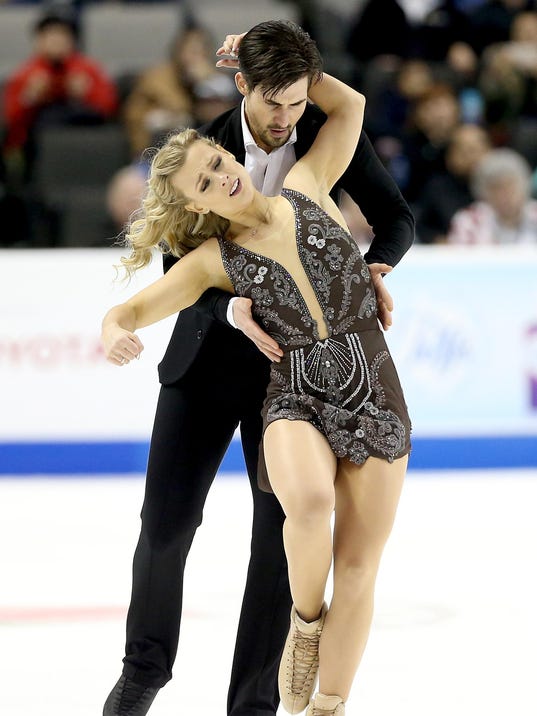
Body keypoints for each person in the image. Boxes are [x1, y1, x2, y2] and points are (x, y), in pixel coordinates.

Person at [101, 20, 414, 716]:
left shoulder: (316, 150)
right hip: (209, 355)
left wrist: (362, 276)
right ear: (243, 87)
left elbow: (394, 216)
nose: (286, 119)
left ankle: (256, 703)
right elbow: (178, 277)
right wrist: (230, 310)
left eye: (299, 102)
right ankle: (143, 673)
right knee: (167, 521)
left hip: (294, 374)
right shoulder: (201, 156)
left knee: (282, 534)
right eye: (274, 102)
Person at [2, 9, 118, 182]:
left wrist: (86, 94)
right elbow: (10, 121)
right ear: (38, 40)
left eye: (62, 35)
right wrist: (30, 98)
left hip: (83, 146)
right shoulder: (26, 74)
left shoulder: (88, 70)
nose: (56, 41)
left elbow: (110, 108)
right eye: (49, 35)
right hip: (37, 151)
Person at [123, 24, 238, 158]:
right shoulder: (160, 77)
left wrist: (208, 79)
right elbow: (176, 107)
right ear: (178, 51)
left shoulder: (211, 78)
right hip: (156, 151)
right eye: (192, 51)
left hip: (204, 151)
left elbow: (228, 106)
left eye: (202, 51)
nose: (197, 58)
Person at [447, 147, 537, 244]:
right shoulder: (468, 221)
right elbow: (458, 256)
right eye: (496, 188)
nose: (504, 195)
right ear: (483, 192)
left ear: (523, 185)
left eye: (510, 186)